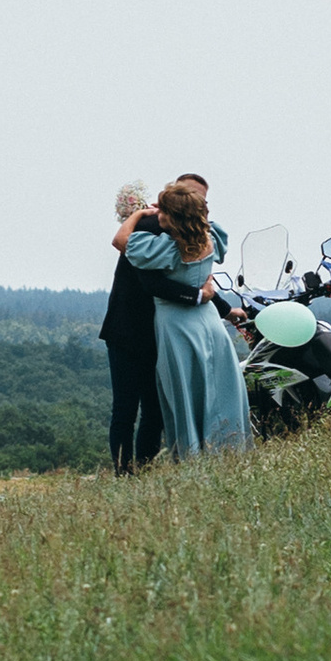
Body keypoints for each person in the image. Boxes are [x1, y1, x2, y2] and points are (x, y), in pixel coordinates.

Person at [118, 171, 250, 459]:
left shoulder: (164, 249)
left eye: (164, 211)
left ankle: (192, 454)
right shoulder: (211, 239)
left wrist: (138, 213)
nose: (159, 215)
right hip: (209, 323)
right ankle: (228, 449)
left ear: (173, 217)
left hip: (177, 326)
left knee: (185, 395)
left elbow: (122, 241)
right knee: (218, 388)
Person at [98, 178, 166, 473]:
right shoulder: (147, 230)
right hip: (128, 331)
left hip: (142, 331)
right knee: (138, 409)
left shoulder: (153, 229)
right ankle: (132, 469)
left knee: (139, 409)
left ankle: (131, 470)